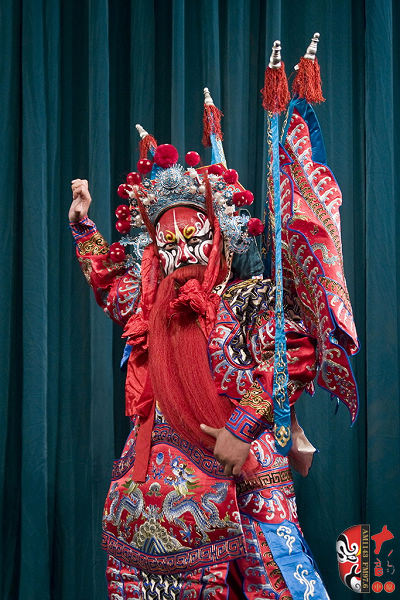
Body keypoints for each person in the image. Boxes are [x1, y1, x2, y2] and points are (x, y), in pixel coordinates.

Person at [69, 53, 358, 599]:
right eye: (168, 244)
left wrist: (242, 429)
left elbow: (292, 355)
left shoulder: (246, 297)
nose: (182, 253)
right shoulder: (150, 304)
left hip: (246, 471)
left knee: (276, 581)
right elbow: (109, 284)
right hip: (165, 475)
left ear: (217, 237)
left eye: (193, 238)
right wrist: (84, 226)